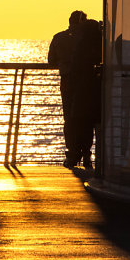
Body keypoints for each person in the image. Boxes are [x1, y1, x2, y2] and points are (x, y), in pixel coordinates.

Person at [65, 18, 101, 169]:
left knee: (79, 124)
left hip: (81, 92)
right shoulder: (100, 46)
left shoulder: (81, 47)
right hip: (97, 92)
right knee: (92, 125)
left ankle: (76, 154)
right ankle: (88, 156)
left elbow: (74, 70)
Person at [48, 10, 86, 155]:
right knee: (84, 118)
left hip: (66, 80)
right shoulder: (85, 39)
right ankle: (85, 152)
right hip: (84, 81)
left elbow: (51, 61)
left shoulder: (58, 38)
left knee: (68, 117)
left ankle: (71, 150)